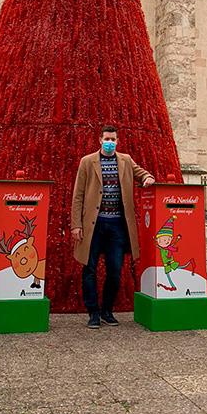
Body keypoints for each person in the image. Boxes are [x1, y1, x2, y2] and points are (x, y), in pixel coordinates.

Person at [71, 125, 155, 328]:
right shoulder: (87, 162)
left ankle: (107, 310)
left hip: (117, 225)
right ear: (100, 140)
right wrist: (76, 225)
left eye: (113, 139)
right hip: (94, 224)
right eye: (107, 138)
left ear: (118, 141)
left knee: (115, 270)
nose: (110, 142)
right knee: (89, 269)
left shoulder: (125, 160)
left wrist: (147, 178)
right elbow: (78, 195)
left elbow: (141, 173)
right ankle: (93, 312)